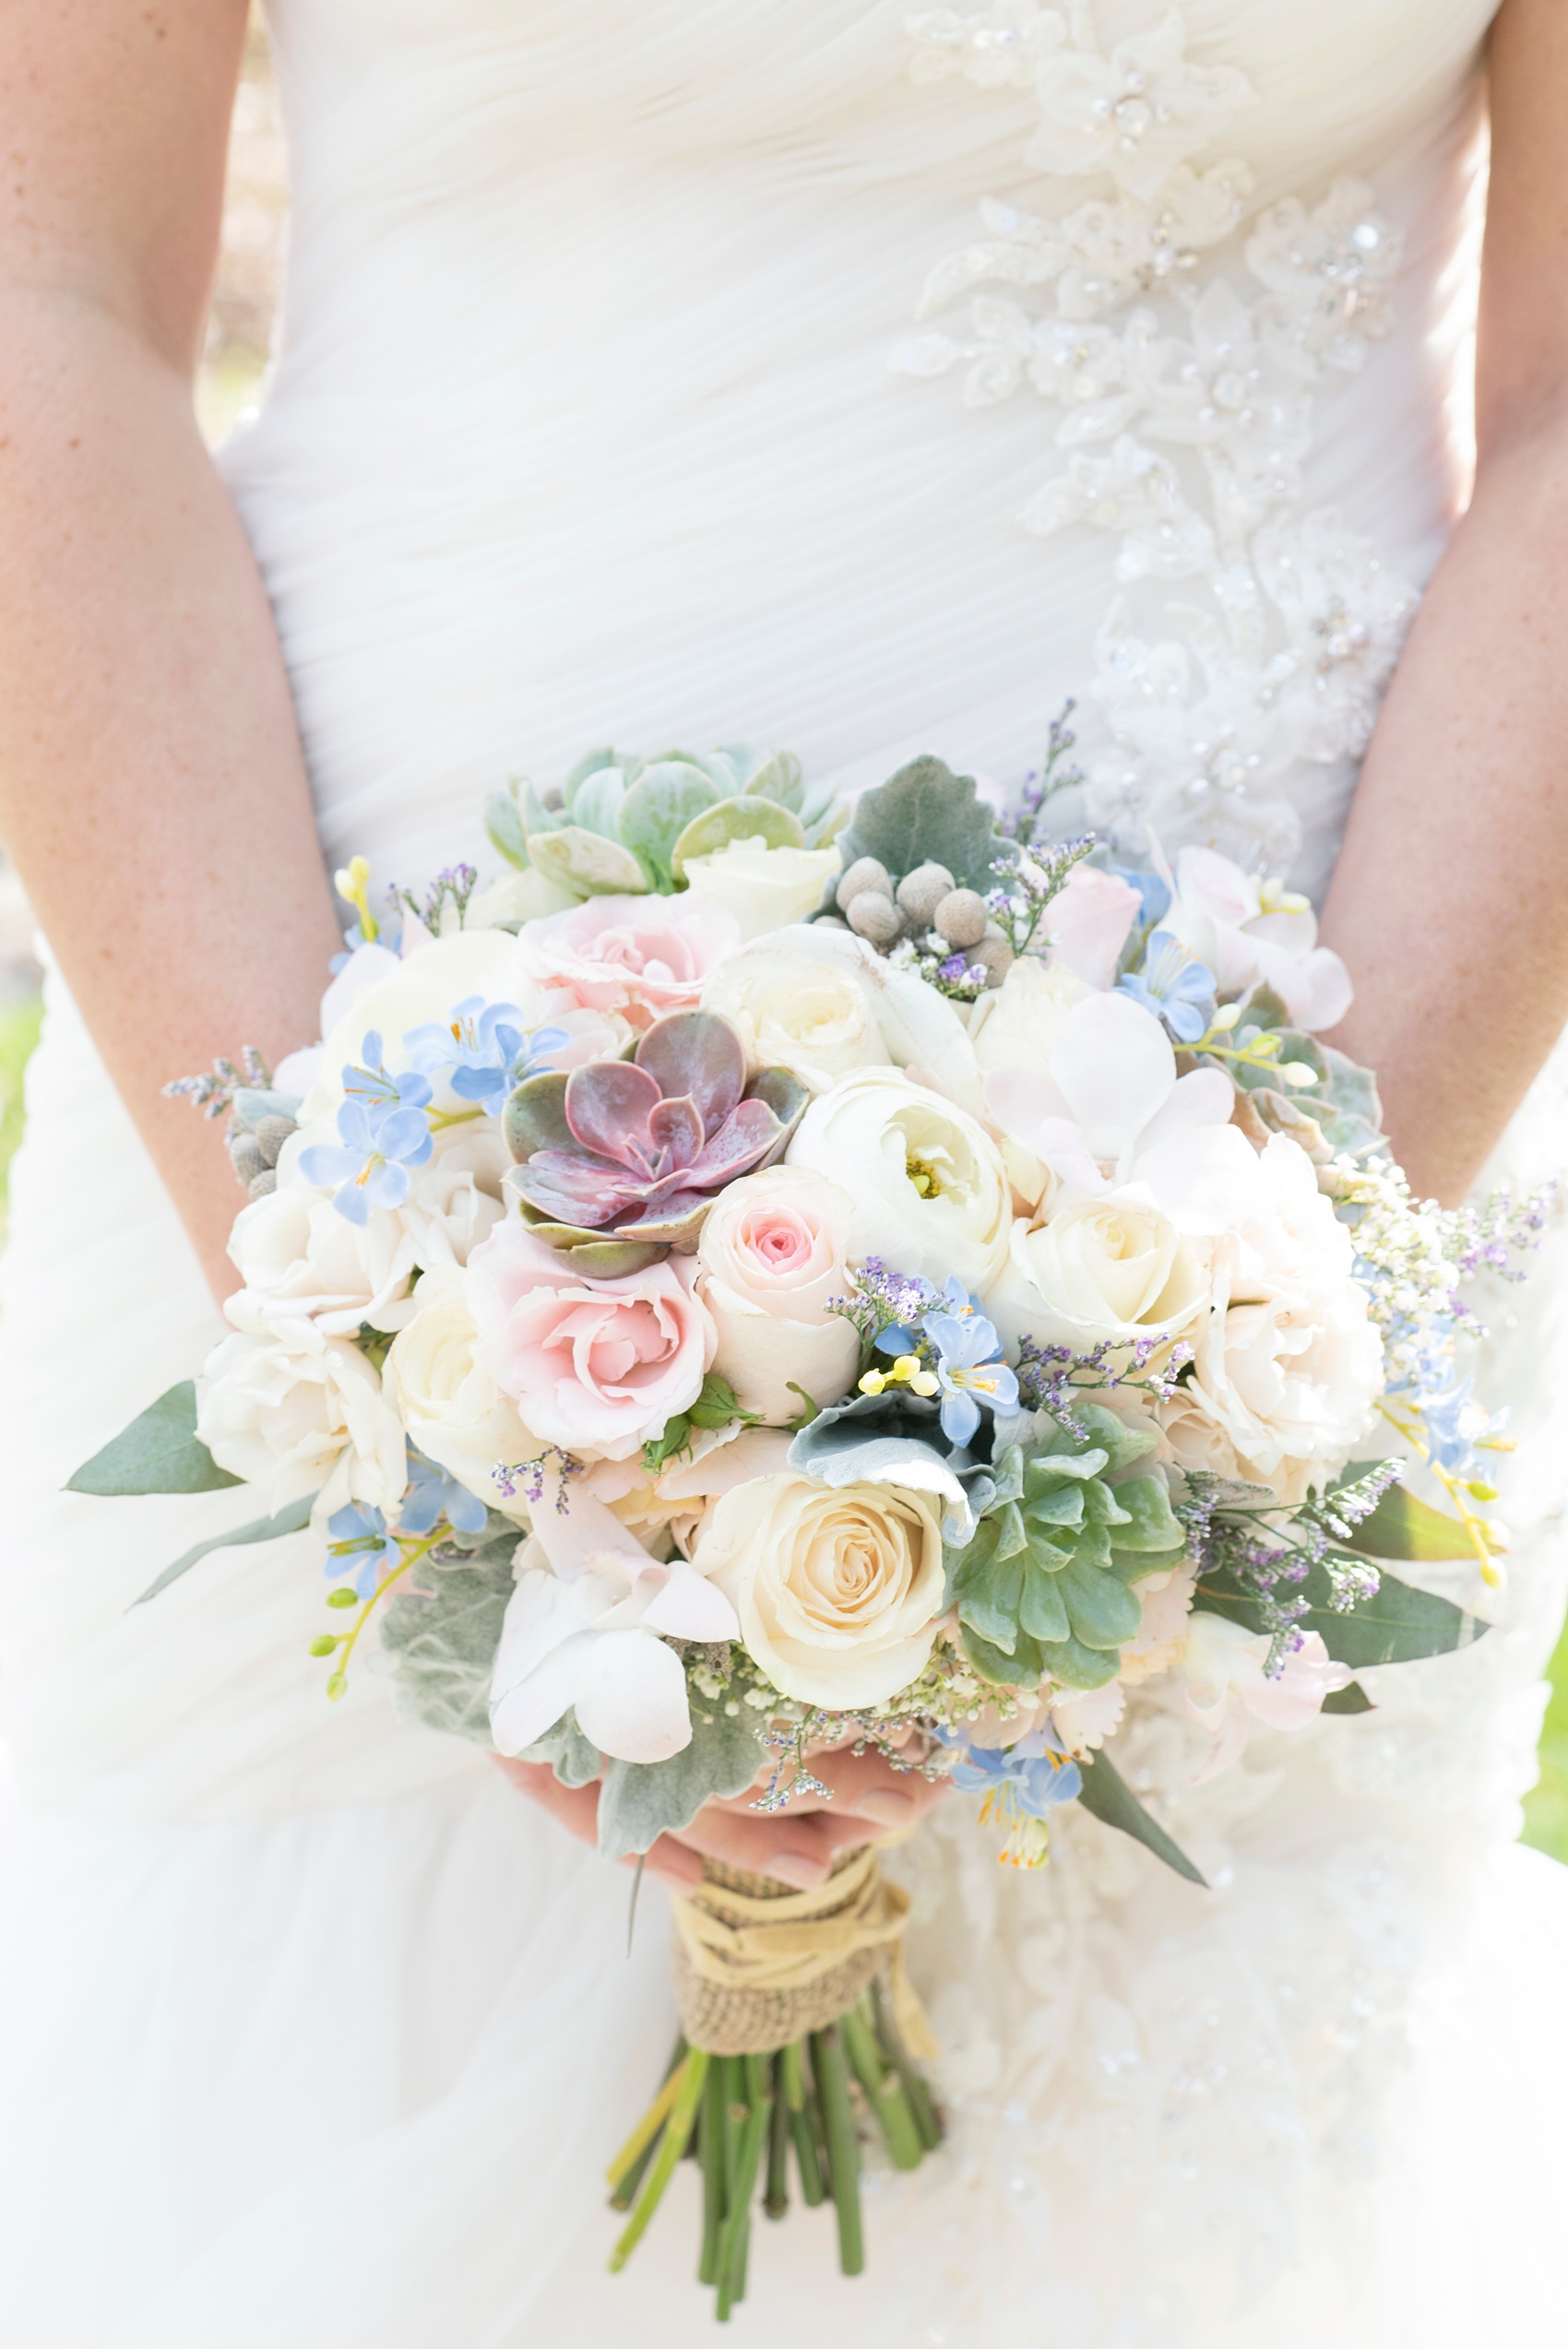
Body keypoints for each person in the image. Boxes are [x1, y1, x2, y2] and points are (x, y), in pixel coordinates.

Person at [0, 2, 1565, 2342]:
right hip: (309, 1063)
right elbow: (41, 281)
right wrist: (394, 1357)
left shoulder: (1261, 1293)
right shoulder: (363, 1294)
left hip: (1314, 1123)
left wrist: (1230, 1349)